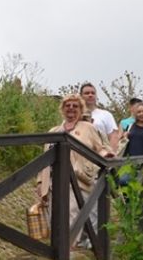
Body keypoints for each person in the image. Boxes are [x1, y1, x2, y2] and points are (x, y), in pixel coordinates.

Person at [36, 94, 114, 248]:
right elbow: (44, 159)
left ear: (81, 109)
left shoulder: (88, 128)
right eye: (67, 105)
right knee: (54, 216)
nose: (71, 108)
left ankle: (68, 251)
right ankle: (58, 250)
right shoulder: (53, 131)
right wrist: (40, 182)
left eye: (75, 106)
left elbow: (100, 148)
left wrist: (107, 155)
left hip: (77, 179)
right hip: (53, 180)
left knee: (71, 213)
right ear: (62, 109)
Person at [80, 83, 119, 152]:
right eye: (87, 93)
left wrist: (111, 155)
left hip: (101, 154)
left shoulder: (106, 115)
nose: (90, 95)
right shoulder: (76, 115)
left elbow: (113, 136)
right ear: (81, 96)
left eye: (93, 93)